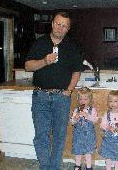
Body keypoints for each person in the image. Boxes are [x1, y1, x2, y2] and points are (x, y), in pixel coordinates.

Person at [25, 12, 83, 170]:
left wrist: (69, 90)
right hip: (40, 96)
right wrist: (44, 61)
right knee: (41, 136)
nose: (60, 28)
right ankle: (46, 167)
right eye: (58, 24)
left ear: (68, 28)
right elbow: (27, 66)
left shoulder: (72, 46)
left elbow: (77, 70)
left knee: (59, 136)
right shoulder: (39, 43)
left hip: (61, 98)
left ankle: (54, 167)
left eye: (64, 25)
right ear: (52, 24)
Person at [100, 90, 118, 170]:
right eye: (110, 101)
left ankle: (117, 168)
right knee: (108, 156)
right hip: (108, 140)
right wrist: (108, 127)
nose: (112, 103)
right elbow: (102, 124)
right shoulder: (107, 114)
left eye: (115, 101)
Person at [70, 87, 98, 170]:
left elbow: (95, 120)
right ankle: (77, 166)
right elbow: (72, 122)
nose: (83, 101)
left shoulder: (92, 110)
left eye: (85, 99)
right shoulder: (76, 110)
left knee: (88, 152)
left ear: (90, 100)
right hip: (78, 136)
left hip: (88, 136)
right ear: (78, 100)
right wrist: (75, 118)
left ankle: (88, 167)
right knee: (77, 152)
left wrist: (87, 116)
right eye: (81, 99)